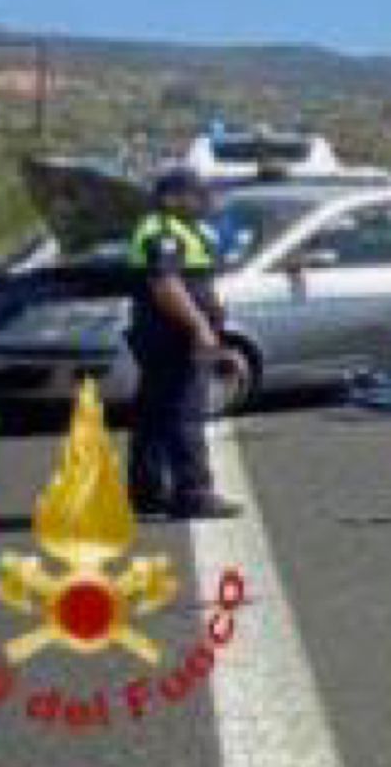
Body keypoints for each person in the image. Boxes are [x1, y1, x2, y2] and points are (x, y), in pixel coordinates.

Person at [125, 167, 243, 521]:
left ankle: (148, 493)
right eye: (197, 194)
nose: (204, 200)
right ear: (171, 198)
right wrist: (199, 327)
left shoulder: (178, 229)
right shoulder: (163, 232)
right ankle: (193, 492)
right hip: (172, 335)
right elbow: (167, 286)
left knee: (154, 414)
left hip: (166, 334)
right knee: (183, 413)